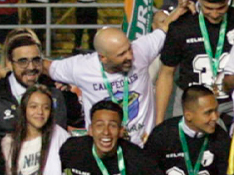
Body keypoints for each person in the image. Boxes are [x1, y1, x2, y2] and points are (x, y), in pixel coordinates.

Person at [48, 12, 181, 146]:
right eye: (121, 54)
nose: (129, 56)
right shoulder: (81, 67)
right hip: (103, 149)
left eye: (129, 49)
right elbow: (44, 66)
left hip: (143, 147)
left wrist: (181, 8)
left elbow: (164, 28)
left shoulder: (140, 50)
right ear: (103, 58)